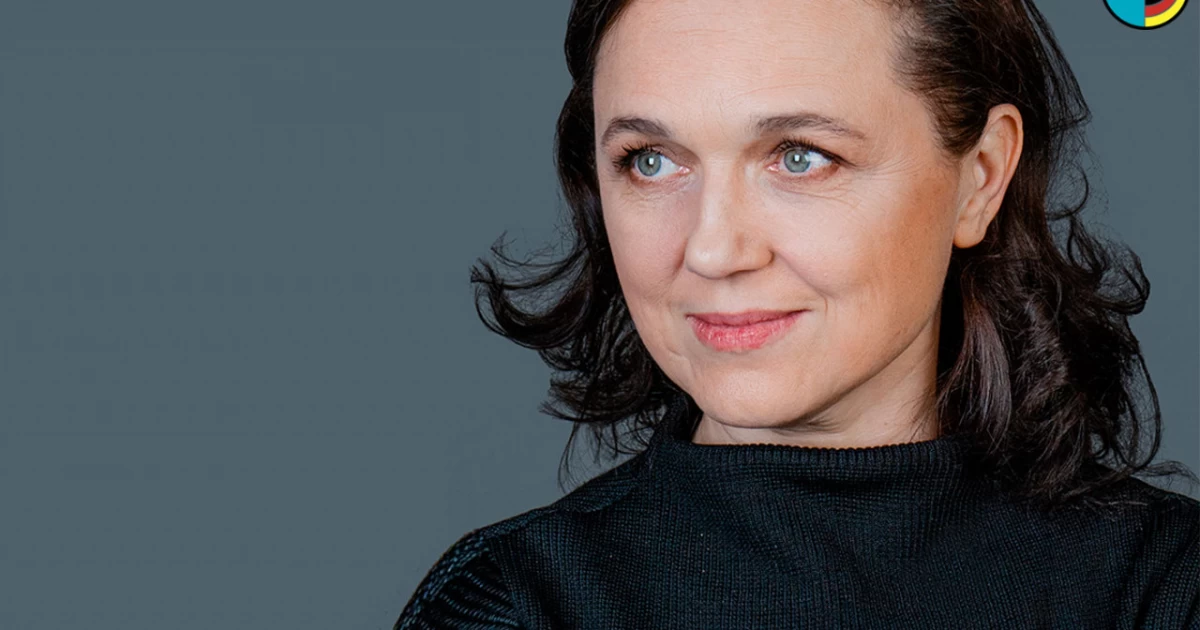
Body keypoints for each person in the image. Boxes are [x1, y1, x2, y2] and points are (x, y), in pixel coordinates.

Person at [394, 0, 1199, 627]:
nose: (713, 249)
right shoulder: (512, 606)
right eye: (651, 161)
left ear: (981, 177)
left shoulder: (1165, 589)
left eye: (800, 157)